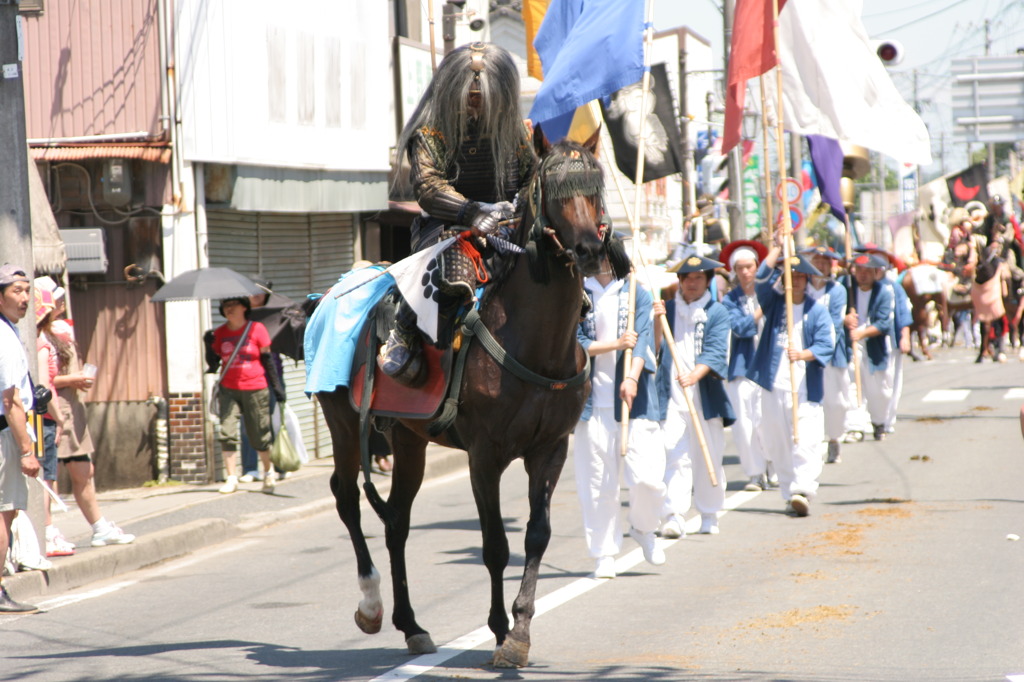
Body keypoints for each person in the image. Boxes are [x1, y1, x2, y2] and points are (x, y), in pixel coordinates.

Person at [378, 42, 536, 384]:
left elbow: (529, 178)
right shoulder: (431, 132)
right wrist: (472, 211)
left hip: (507, 226)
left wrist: (515, 207)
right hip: (448, 225)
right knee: (449, 265)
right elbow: (429, 187)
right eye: (469, 92)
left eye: (482, 92)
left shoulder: (516, 132)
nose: (475, 99)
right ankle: (403, 331)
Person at [574, 256, 666, 579]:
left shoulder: (634, 292)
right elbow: (575, 342)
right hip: (591, 404)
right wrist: (614, 344)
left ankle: (643, 528)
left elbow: (640, 340)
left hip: (633, 401)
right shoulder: (577, 292)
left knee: (648, 478)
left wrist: (632, 378)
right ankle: (603, 553)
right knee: (598, 484)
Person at [34, 277, 135, 553]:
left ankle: (99, 527)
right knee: (48, 475)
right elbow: (44, 381)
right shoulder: (39, 336)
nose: (62, 301)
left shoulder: (60, 329)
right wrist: (73, 379)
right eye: (56, 297)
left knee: (84, 470)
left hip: (71, 409)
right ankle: (47, 531)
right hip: (55, 410)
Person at [748, 245, 834, 517]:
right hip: (774, 383)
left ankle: (803, 489)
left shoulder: (816, 311)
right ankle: (789, 492)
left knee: (805, 439)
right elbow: (760, 278)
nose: (795, 280)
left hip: (805, 387)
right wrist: (776, 249)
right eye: (790, 275)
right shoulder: (773, 304)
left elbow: (826, 343)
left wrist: (803, 354)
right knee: (779, 441)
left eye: (800, 276)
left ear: (807, 280)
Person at [655, 253, 734, 537]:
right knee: (674, 453)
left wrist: (695, 375)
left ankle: (709, 512)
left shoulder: (717, 312)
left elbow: (716, 351)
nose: (692, 283)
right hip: (672, 393)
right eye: (687, 278)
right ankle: (673, 514)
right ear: (679, 281)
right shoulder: (667, 310)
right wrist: (655, 321)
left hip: (704, 393)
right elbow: (655, 347)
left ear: (708, 282)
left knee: (708, 454)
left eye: (698, 278)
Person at [211, 297, 286, 494]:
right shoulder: (219, 333)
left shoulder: (257, 329)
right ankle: (231, 478)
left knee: (259, 434)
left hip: (255, 387)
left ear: (244, 307)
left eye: (232, 305)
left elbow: (268, 360)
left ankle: (268, 473)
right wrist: (207, 345)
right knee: (226, 432)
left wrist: (277, 388)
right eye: (225, 306)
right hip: (229, 388)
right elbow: (213, 363)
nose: (228, 309)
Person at [0, 264, 41, 614]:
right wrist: (27, 449)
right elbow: (10, 399)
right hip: (4, 435)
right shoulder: (3, 336)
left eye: (27, 290)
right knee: (3, 514)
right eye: (17, 291)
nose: (25, 297)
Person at [719, 239, 772, 490]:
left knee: (767, 420)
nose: (745, 272)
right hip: (741, 367)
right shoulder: (730, 300)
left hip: (768, 366)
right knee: (744, 423)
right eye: (739, 268)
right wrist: (762, 309)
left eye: (749, 266)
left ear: (757, 267)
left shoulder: (770, 292)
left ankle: (773, 464)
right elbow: (739, 328)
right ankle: (754, 473)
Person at [802, 246, 850, 464]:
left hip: (831, 352)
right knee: (808, 401)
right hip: (803, 351)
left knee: (835, 401)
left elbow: (835, 322)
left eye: (825, 262)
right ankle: (810, 444)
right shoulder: (801, 288)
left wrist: (820, 346)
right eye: (817, 261)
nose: (820, 265)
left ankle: (834, 437)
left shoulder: (837, 290)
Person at [238, 273, 285, 483]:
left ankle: (279, 464)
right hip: (245, 377)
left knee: (272, 424)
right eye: (250, 291)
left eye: (258, 292)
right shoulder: (240, 317)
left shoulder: (277, 315)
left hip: (271, 376)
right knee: (247, 425)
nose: (253, 296)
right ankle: (250, 468)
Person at [844, 253, 895, 441]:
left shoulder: (884, 291)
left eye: (867, 271)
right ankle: (855, 426)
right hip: (852, 345)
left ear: (875, 272)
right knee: (853, 385)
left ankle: (879, 421)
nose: (863, 275)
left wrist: (862, 333)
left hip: (874, 344)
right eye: (859, 270)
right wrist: (846, 320)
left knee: (880, 390)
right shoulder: (847, 288)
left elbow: (884, 323)